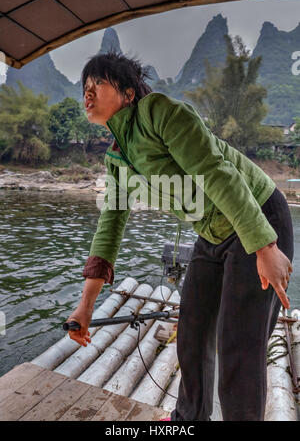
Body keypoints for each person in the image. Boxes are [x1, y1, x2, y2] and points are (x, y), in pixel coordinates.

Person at [66, 51, 294, 421]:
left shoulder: (159, 113)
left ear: (127, 93)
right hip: (211, 233)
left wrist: (265, 245)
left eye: (98, 85)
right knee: (192, 331)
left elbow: (215, 171)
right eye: (85, 89)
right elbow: (109, 227)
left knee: (238, 344)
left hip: (258, 216)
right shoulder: (118, 158)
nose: (88, 95)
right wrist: (86, 306)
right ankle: (188, 420)